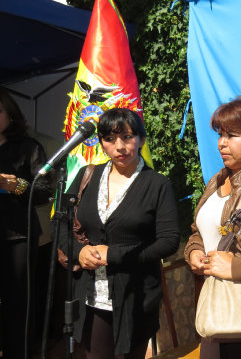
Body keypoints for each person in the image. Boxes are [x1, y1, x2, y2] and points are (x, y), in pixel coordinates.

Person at [59, 108, 180, 358]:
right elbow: (59, 223)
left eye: (127, 137)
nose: (120, 146)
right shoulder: (87, 176)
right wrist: (80, 252)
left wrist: (114, 255)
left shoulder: (157, 184)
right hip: (91, 296)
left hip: (135, 297)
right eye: (110, 139)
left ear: (141, 139)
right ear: (101, 143)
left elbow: (169, 242)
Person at [184, 96, 241, 359]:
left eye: (232, 135)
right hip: (217, 308)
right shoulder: (217, 179)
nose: (222, 143)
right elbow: (198, 232)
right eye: (221, 134)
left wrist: (238, 268)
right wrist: (194, 252)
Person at [0, 87, 53, 358]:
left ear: (10, 114)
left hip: (17, 237)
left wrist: (15, 184)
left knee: (17, 306)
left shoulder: (28, 147)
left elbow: (43, 191)